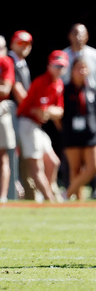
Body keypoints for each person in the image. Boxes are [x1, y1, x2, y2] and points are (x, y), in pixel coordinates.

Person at [63, 23, 96, 200]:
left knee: (93, 156)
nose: (78, 37)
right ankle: (75, 195)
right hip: (71, 107)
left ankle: (90, 189)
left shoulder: (94, 55)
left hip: (91, 105)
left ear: (87, 36)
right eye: (74, 33)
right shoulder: (65, 55)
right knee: (74, 160)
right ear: (69, 35)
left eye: (81, 33)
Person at [16, 50, 68, 202]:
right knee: (36, 166)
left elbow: (58, 112)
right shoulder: (41, 82)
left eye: (62, 66)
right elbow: (39, 112)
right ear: (49, 66)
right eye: (56, 66)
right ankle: (49, 199)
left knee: (53, 162)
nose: (59, 69)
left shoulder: (58, 83)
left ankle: (47, 192)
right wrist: (50, 112)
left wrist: (49, 112)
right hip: (26, 123)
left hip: (37, 126)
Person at [61, 57, 96, 200]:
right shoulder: (65, 90)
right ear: (72, 71)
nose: (82, 71)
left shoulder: (92, 89)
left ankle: (66, 194)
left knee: (94, 167)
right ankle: (79, 202)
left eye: (84, 68)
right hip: (71, 135)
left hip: (91, 134)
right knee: (75, 169)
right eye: (78, 68)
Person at [7, 30, 35, 200]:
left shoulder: (21, 63)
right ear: (12, 44)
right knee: (12, 151)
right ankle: (14, 187)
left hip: (20, 115)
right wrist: (33, 109)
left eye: (27, 44)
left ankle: (20, 188)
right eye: (20, 43)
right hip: (11, 114)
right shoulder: (10, 61)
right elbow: (17, 90)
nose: (24, 47)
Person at [0, 35, 16, 202]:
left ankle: (2, 197)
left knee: (2, 155)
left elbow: (5, 89)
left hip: (1, 111)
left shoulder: (5, 62)